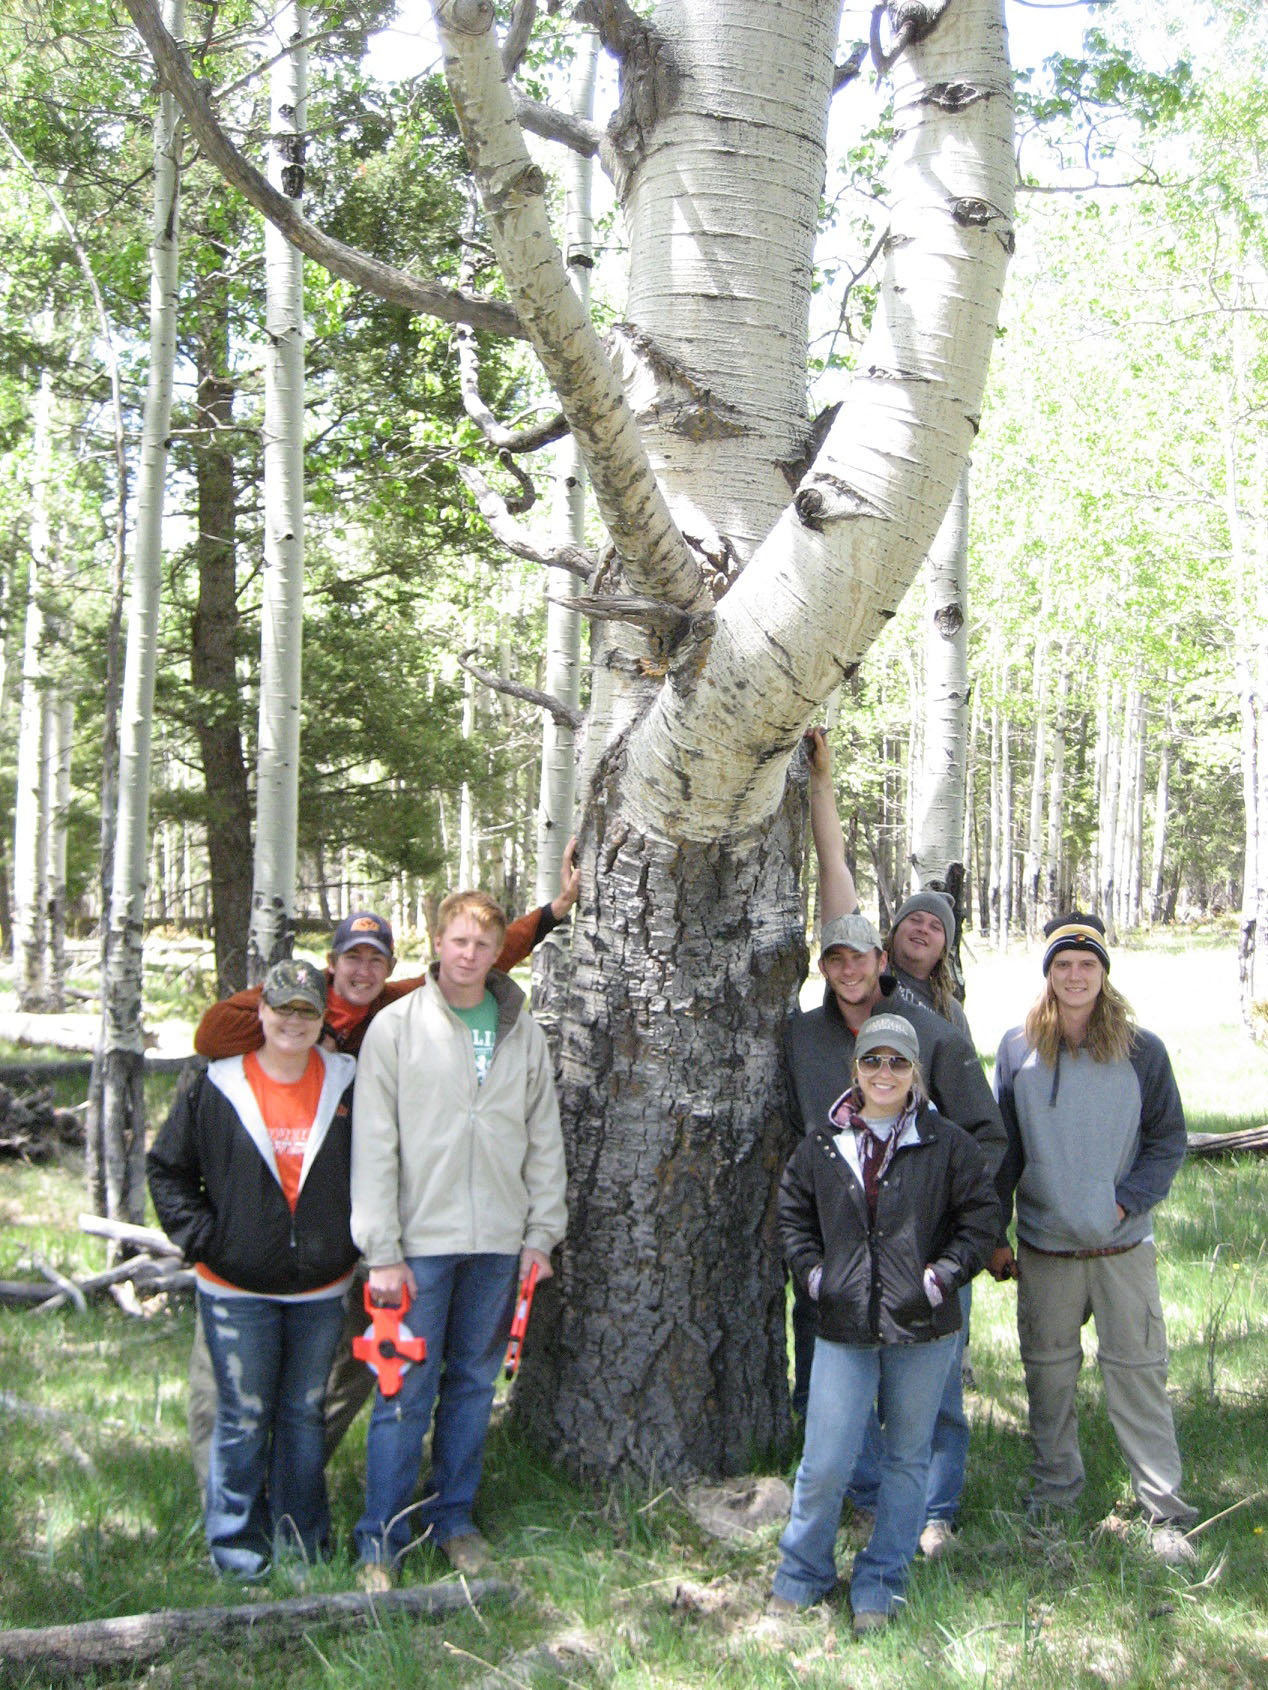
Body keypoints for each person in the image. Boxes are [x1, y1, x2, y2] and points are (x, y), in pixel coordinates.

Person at [185, 845, 581, 1494]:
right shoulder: (293, 1014)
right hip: (256, 1229)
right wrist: (297, 1003)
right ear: (332, 962)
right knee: (230, 1381)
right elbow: (211, 1033)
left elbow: (484, 954)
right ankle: (220, 1504)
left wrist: (553, 912)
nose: (363, 971)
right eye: (351, 959)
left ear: (391, 967)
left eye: (375, 959)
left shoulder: (393, 1011)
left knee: (346, 1371)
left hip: (347, 1232)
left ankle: (290, 1492)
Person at [350, 889, 567, 1587]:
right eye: (458, 941)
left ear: (496, 950)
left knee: (473, 1383)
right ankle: (380, 1536)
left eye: (482, 943)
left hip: (499, 1241)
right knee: (403, 1390)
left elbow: (544, 1139)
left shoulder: (518, 1029)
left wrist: (542, 1233)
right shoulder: (396, 1026)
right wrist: (380, 1248)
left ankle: (455, 1520)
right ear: (438, 944)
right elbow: (375, 1145)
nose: (469, 955)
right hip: (417, 1245)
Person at [784, 909, 1005, 1555]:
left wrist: (952, 1238)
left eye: (860, 957)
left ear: (882, 960)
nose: (848, 970)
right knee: (829, 1388)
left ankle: (933, 1514)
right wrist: (813, 1258)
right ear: (823, 968)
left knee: (931, 1397)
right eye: (835, 959)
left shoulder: (931, 1037)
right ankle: (872, 1502)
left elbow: (988, 1139)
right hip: (839, 1253)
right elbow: (795, 1135)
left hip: (923, 1253)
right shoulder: (801, 1037)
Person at [770, 1014, 997, 1634]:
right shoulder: (822, 1144)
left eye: (898, 1062)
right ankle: (801, 1573)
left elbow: (981, 1219)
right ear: (856, 1070)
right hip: (842, 1325)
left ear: (915, 1071)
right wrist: (816, 1278)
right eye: (873, 1061)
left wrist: (941, 1277)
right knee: (825, 1458)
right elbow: (793, 1218)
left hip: (923, 1326)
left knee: (905, 1460)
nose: (884, 1073)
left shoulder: (946, 1141)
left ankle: (881, 1580)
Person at [991, 913, 1198, 1565]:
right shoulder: (1017, 1049)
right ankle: (1054, 1498)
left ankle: (1165, 1514)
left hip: (1121, 1248)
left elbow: (1167, 1140)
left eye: (1087, 965)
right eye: (1062, 965)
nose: (1075, 976)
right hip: (1047, 1249)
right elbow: (1003, 1149)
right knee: (1048, 1379)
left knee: (1138, 1375)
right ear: (1048, 975)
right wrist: (997, 1231)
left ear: (1104, 974)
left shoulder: (1143, 1050)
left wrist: (1126, 1200)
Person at [148, 960, 357, 1578]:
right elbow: (167, 1169)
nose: (293, 1021)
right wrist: (208, 1241)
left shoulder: (350, 1084)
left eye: (306, 1012)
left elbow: (382, 1165)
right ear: (260, 1013)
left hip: (322, 1287)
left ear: (323, 1022)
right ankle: (236, 1551)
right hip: (235, 1287)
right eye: (282, 1008)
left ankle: (303, 1545)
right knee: (242, 1416)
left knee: (301, 1416)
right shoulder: (217, 1084)